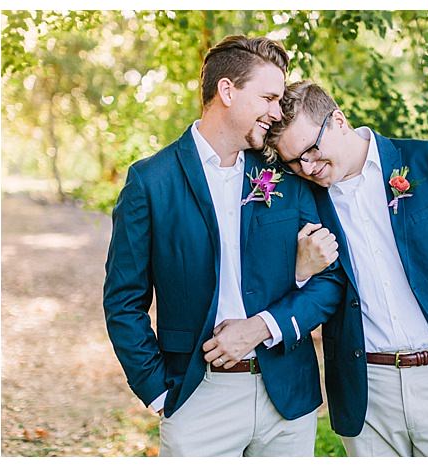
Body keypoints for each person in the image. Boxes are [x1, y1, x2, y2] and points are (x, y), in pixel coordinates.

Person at [103, 38, 344, 457]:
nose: (276, 111)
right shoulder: (151, 182)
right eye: (268, 97)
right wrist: (160, 393)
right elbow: (124, 301)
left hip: (288, 400)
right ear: (228, 91)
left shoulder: (287, 178)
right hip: (198, 398)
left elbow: (331, 280)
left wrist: (264, 325)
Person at [265, 81, 428, 457]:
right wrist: (299, 270)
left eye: (311, 151)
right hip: (366, 388)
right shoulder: (303, 197)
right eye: (294, 162)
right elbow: (303, 286)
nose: (308, 167)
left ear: (338, 120)